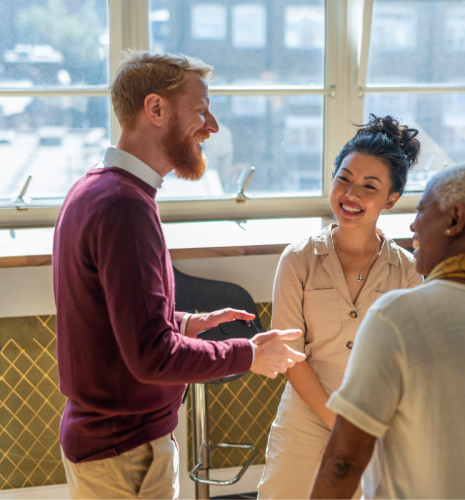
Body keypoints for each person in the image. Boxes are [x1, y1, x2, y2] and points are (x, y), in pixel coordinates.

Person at [52, 51, 306, 500]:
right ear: (155, 109)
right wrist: (249, 355)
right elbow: (151, 357)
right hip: (125, 455)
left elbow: (114, 318)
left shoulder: (95, 188)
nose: (213, 126)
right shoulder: (124, 207)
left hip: (107, 444)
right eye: (201, 110)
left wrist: (184, 323)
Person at [310, 162, 465, 499]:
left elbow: (345, 460)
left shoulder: (397, 316)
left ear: (454, 220)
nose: (413, 224)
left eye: (423, 210)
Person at [257, 115, 423, 499]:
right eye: (344, 179)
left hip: (379, 425)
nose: (351, 194)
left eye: (369, 186)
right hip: (305, 417)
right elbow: (290, 357)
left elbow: (412, 364)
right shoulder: (297, 259)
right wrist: (338, 423)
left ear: (391, 199)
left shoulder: (410, 272)